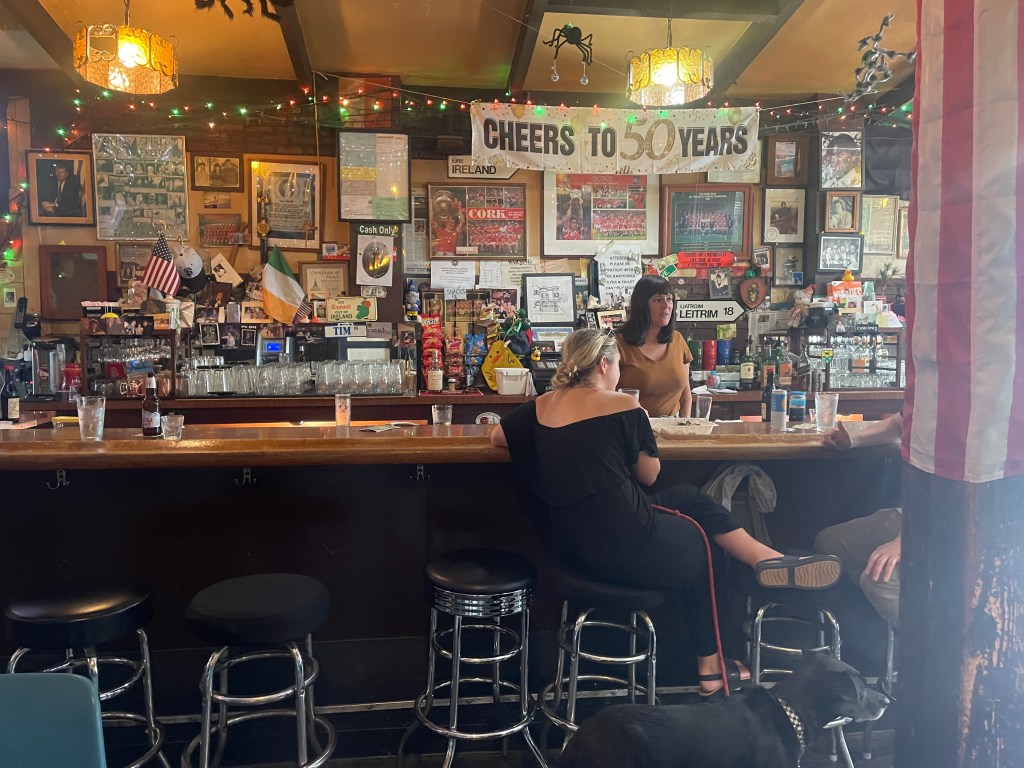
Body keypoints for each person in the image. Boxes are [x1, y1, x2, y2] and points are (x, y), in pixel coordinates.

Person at [490, 329, 842, 696]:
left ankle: (765, 559)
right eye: (618, 366)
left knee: (689, 500)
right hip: (627, 543)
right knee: (699, 540)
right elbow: (649, 475)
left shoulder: (542, 405)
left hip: (572, 549)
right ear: (603, 363)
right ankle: (712, 666)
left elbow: (498, 437)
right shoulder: (623, 406)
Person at [814, 413, 904, 626]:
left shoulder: (955, 395)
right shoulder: (923, 387)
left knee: (876, 579)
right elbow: (898, 424)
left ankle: (937, 651)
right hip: (910, 513)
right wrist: (854, 440)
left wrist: (907, 539)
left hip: (941, 524)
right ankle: (870, 638)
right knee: (829, 545)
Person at [614, 275, 692, 418]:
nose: (666, 305)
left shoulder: (677, 340)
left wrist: (684, 428)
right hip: (631, 428)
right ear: (642, 305)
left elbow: (686, 397)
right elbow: (606, 394)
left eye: (669, 299)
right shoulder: (618, 344)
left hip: (672, 429)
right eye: (658, 299)